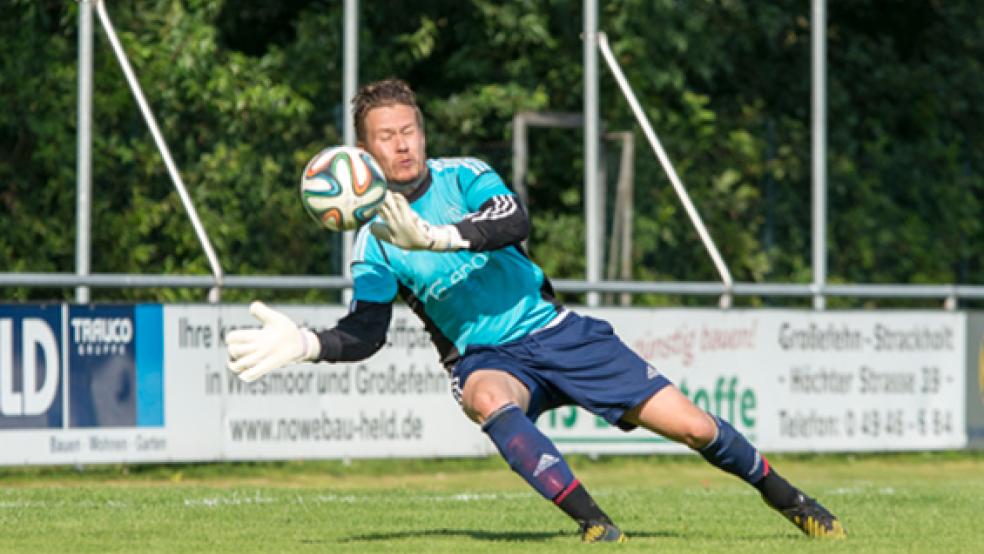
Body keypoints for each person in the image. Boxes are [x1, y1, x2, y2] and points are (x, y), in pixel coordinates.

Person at [226, 78, 846, 543]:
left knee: (693, 427)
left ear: (423, 131)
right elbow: (366, 332)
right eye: (386, 136)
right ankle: (596, 526)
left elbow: (512, 219)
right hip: (486, 357)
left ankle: (793, 502)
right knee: (484, 399)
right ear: (363, 152)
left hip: (556, 332)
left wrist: (438, 237)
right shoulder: (372, 245)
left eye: (409, 129)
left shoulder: (464, 174)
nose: (403, 143)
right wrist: (309, 344)